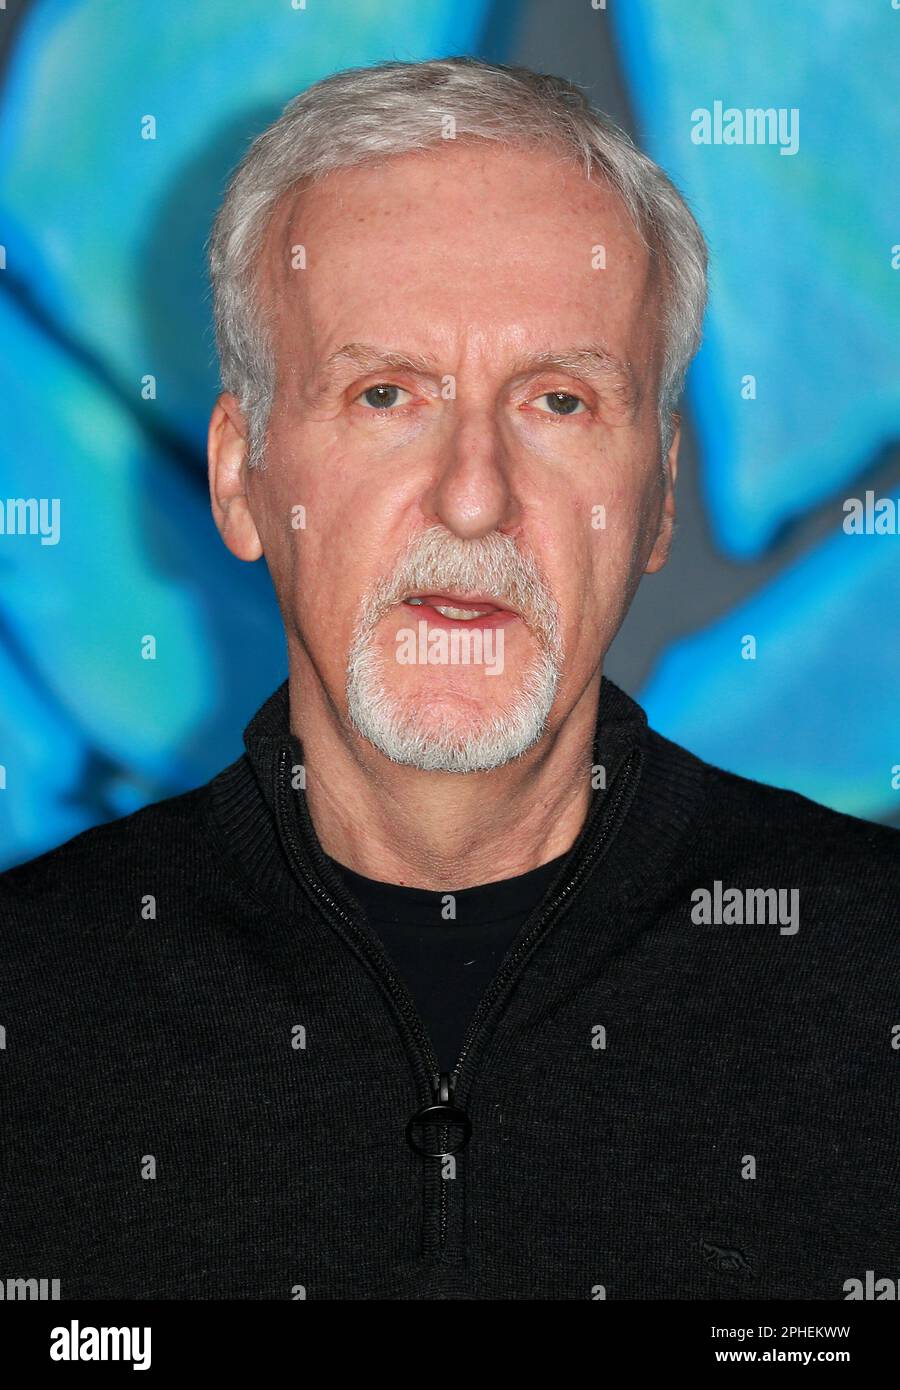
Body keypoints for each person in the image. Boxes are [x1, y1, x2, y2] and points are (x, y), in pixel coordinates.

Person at [2, 57, 897, 1302]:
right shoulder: (29, 1003)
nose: (474, 494)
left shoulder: (873, 981)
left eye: (559, 400)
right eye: (385, 393)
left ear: (657, 498)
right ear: (240, 475)